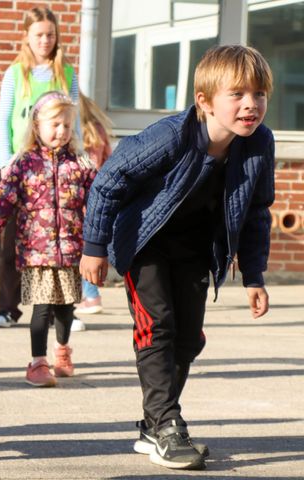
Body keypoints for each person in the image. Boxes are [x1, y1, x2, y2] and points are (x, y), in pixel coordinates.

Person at [80, 45, 274, 471]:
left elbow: (257, 210)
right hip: (144, 242)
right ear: (204, 101)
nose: (251, 104)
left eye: (259, 94)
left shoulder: (259, 142)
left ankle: (154, 426)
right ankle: (168, 426)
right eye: (237, 94)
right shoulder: (172, 135)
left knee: (189, 338)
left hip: (195, 250)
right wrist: (94, 247)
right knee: (158, 327)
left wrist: (254, 275)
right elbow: (109, 180)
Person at [0, 91, 96, 387]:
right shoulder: (23, 164)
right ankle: (37, 362)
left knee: (66, 309)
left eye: (67, 125)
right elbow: (0, 205)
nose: (61, 131)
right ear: (37, 125)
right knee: (41, 308)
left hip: (71, 251)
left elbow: (100, 205)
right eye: (54, 124)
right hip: (36, 254)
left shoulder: (81, 165)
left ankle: (62, 351)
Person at [0, 6, 84, 331]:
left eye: (50, 34)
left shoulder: (67, 73)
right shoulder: (15, 73)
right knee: (13, 240)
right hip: (23, 167)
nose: (45, 40)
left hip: (58, 167)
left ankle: (65, 310)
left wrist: (80, 156)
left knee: (62, 239)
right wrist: (6, 162)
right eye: (39, 35)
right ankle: (7, 306)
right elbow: (3, 120)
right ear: (27, 37)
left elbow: (77, 120)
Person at [74, 93, 113, 316]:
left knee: (83, 250)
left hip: (82, 198)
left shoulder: (77, 134)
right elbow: (108, 160)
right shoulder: (97, 130)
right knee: (90, 247)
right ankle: (92, 293)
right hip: (98, 196)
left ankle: (91, 295)